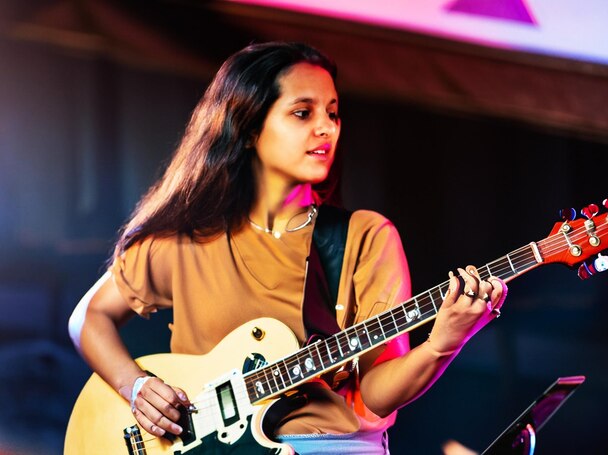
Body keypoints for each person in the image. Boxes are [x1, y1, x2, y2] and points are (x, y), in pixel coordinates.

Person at [68, 41, 507, 454]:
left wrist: (441, 345)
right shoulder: (184, 238)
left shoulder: (365, 236)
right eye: (302, 112)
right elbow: (89, 318)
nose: (326, 128)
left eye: (333, 113)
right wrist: (137, 387)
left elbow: (374, 394)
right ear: (246, 127)